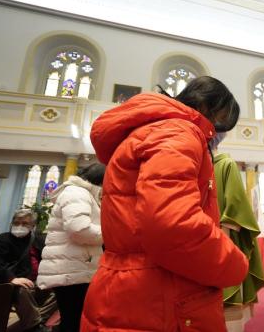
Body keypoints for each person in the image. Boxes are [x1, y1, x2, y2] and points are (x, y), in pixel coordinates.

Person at [82, 76, 249, 332]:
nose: (219, 133)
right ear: (207, 108)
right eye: (223, 121)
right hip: (161, 294)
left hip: (135, 285)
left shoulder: (153, 130)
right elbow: (172, 225)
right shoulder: (177, 132)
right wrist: (233, 265)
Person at [36, 163, 105, 332]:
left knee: (75, 319)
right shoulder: (76, 192)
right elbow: (79, 229)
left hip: (75, 268)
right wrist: (112, 233)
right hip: (72, 270)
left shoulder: (82, 193)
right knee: (73, 321)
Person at [210, 133, 264, 305]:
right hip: (202, 242)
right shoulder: (196, 165)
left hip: (221, 242)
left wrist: (222, 248)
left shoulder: (226, 164)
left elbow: (235, 210)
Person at [0, 209, 58, 332]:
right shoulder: (2, 239)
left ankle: (35, 322)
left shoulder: (38, 241)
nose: (19, 226)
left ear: (32, 226)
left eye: (24, 223)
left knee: (61, 288)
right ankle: (35, 325)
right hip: (10, 283)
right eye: (17, 222)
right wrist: (12, 278)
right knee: (21, 288)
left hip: (37, 282)